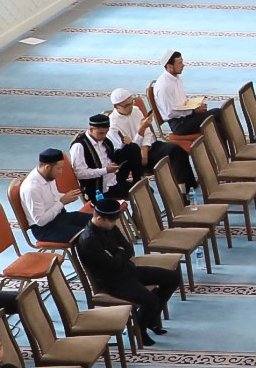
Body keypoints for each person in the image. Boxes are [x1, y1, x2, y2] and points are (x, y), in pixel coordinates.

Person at [76, 190, 176, 338]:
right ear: (99, 218)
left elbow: (129, 249)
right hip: (114, 282)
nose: (114, 224)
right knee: (151, 300)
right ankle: (140, 330)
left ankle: (150, 320)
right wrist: (119, 252)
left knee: (173, 278)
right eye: (112, 221)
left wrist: (117, 254)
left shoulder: (109, 226)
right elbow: (112, 265)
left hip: (128, 270)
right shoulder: (89, 240)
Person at [115, 85, 191, 189]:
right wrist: (141, 130)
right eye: (127, 105)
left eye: (131, 103)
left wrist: (144, 148)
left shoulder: (135, 110)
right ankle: (179, 191)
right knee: (170, 158)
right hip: (134, 158)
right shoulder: (114, 125)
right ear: (117, 106)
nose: (131, 107)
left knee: (177, 150)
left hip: (147, 148)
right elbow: (130, 150)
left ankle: (187, 187)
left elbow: (147, 133)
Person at [19, 148, 90, 246]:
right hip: (45, 229)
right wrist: (62, 202)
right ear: (47, 167)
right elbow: (40, 221)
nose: (61, 172)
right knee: (88, 236)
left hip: (60, 217)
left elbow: (53, 196)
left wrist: (68, 196)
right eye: (59, 168)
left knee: (97, 222)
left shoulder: (48, 175)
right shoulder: (31, 188)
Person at [152, 51, 210, 137]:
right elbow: (170, 113)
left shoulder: (176, 78)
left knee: (217, 123)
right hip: (179, 124)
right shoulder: (164, 86)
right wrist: (193, 111)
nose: (183, 65)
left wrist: (196, 106)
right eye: (180, 63)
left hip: (185, 117)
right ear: (170, 66)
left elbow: (181, 102)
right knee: (216, 113)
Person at [69, 112, 121, 198]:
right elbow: (80, 174)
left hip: (113, 182)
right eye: (101, 133)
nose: (104, 136)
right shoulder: (79, 146)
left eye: (106, 132)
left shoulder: (106, 141)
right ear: (91, 129)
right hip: (96, 190)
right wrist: (105, 170)